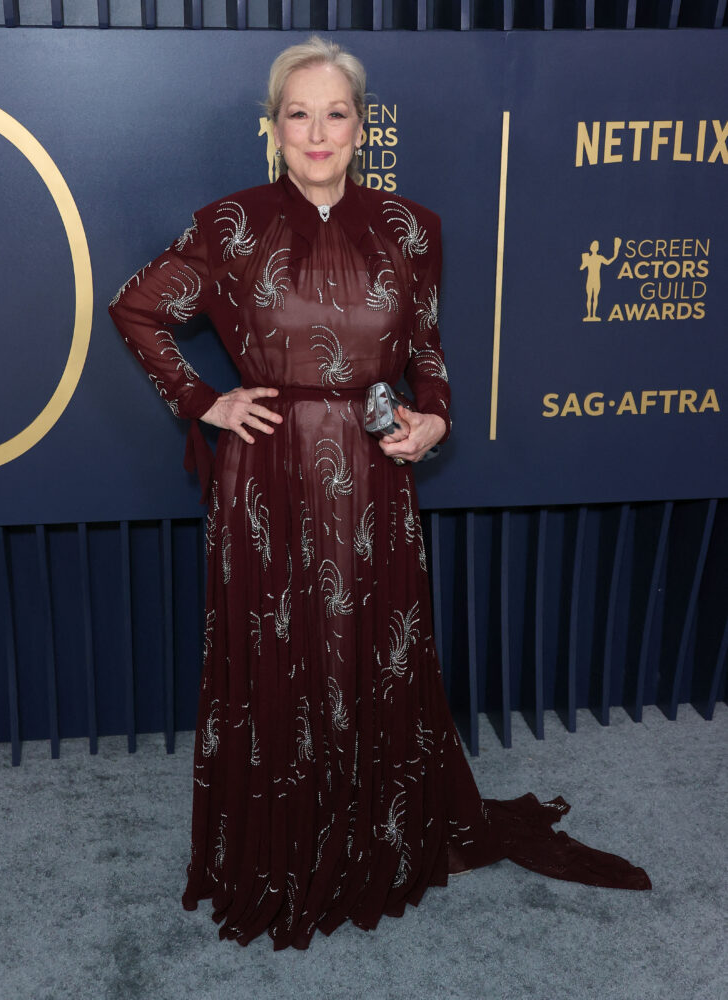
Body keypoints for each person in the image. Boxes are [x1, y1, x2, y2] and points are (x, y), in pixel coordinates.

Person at [109, 35, 650, 951]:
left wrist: (435, 417)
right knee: (279, 657)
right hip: (268, 475)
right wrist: (205, 401)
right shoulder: (229, 225)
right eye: (298, 114)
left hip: (371, 475)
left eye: (336, 113)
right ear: (273, 127)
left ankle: (377, 837)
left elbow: (426, 350)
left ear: (362, 126)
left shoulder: (412, 227)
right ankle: (282, 849)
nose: (317, 132)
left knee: (370, 652)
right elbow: (137, 307)